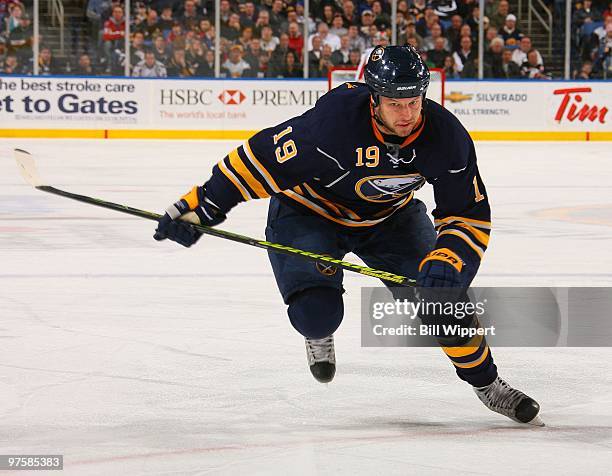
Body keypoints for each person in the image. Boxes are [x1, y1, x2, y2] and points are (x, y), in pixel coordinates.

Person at [153, 45, 543, 427]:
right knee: (317, 314)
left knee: (444, 301)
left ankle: (489, 385)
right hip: (309, 214)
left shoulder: (446, 137)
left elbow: (468, 214)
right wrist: (203, 204)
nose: (407, 113)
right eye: (394, 103)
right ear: (374, 99)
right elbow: (260, 159)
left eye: (414, 101)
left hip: (391, 219)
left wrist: (450, 259)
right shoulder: (336, 122)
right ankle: (318, 333)